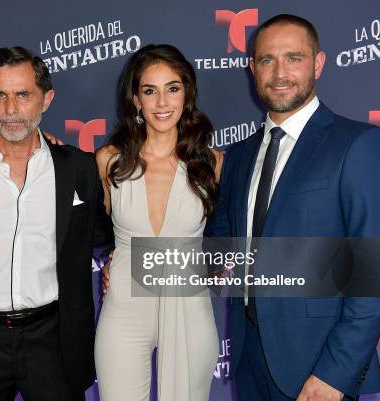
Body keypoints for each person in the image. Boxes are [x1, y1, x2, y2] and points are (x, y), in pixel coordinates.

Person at [205, 14, 380, 401]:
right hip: (250, 361)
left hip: (318, 368)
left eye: (294, 58)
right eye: (267, 60)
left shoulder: (358, 145)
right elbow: (217, 249)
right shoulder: (237, 157)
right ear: (252, 68)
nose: (279, 72)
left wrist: (336, 373)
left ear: (318, 63)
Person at [0, 46, 112, 401]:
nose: (11, 109)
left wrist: (122, 261)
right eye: (0, 95)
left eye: (23, 95)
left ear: (46, 99)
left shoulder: (78, 168)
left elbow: (105, 236)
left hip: (54, 341)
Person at [94, 44, 221, 401]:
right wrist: (110, 261)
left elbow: (223, 239)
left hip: (190, 308)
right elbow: (92, 230)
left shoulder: (211, 163)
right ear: (136, 100)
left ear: (187, 94)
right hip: (124, 309)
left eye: (173, 88)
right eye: (150, 91)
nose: (162, 102)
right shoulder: (108, 161)